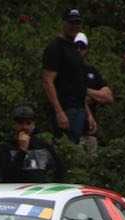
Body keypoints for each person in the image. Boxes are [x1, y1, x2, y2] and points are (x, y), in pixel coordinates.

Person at [41, 8, 90, 144]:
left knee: (76, 146)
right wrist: (59, 111)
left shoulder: (74, 48)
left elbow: (79, 83)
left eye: (77, 23)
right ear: (64, 23)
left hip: (78, 107)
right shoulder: (55, 47)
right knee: (65, 146)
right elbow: (47, 81)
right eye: (71, 22)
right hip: (66, 108)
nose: (74, 26)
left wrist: (88, 114)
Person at [0, 105, 65, 183]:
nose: (24, 127)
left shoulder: (43, 145)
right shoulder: (6, 147)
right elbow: (6, 175)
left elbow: (59, 168)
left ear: (33, 125)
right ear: (14, 125)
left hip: (39, 188)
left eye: (28, 123)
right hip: (16, 188)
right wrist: (22, 150)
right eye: (20, 123)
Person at [74, 32, 113, 148]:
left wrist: (85, 91)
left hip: (89, 131)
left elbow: (108, 97)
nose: (78, 50)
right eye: (75, 46)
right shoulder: (63, 70)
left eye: (82, 47)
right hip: (71, 129)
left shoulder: (92, 71)